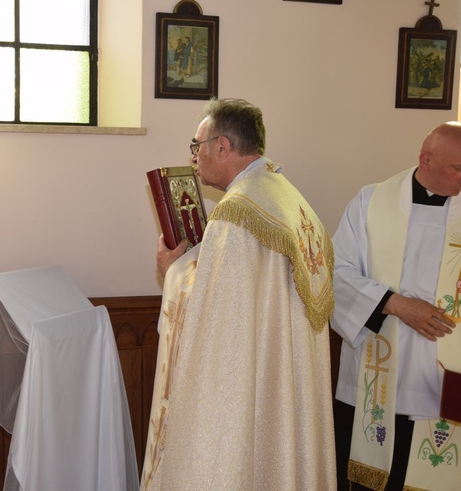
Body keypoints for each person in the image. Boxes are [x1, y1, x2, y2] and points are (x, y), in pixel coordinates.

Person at [140, 98, 337, 490]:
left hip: (252, 383)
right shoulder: (288, 198)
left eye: (197, 147)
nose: (194, 157)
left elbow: (216, 317)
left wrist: (172, 270)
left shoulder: (237, 212)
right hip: (287, 378)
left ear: (223, 146)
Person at [331, 121, 461, 491]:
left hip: (447, 378)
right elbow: (335, 272)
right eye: (460, 168)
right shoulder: (370, 202)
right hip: (379, 369)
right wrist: (393, 303)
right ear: (426, 160)